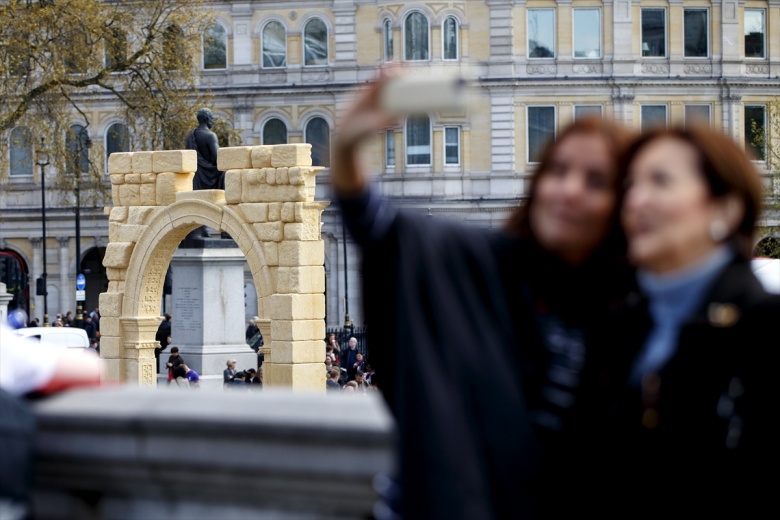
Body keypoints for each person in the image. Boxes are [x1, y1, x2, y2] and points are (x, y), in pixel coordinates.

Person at [332, 69, 633, 519]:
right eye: (558, 170)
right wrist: (347, 145)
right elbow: (377, 227)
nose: (569, 190)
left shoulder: (625, 313)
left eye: (595, 181)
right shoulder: (482, 263)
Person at [599, 126, 780, 516]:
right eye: (631, 184)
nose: (635, 200)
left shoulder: (766, 330)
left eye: (660, 180)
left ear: (725, 208)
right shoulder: (611, 325)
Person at [185, 107, 225, 191]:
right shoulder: (210, 136)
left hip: (196, 175)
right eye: (212, 118)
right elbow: (218, 157)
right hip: (210, 174)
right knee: (226, 172)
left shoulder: (190, 136)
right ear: (207, 118)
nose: (213, 121)